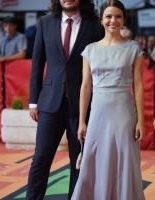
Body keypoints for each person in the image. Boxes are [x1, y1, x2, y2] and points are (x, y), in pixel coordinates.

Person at [26, 0, 104, 199]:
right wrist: (33, 101)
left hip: (83, 105)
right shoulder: (45, 22)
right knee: (40, 159)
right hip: (50, 102)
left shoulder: (95, 24)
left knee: (79, 161)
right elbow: (37, 63)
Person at [71, 0, 145, 200]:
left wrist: (141, 120)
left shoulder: (134, 48)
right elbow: (85, 87)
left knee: (125, 160)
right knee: (95, 159)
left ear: (124, 19)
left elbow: (138, 86)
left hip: (124, 113)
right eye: (109, 16)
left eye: (118, 16)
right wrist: (82, 122)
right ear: (102, 20)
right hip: (97, 114)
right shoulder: (90, 50)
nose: (113, 20)